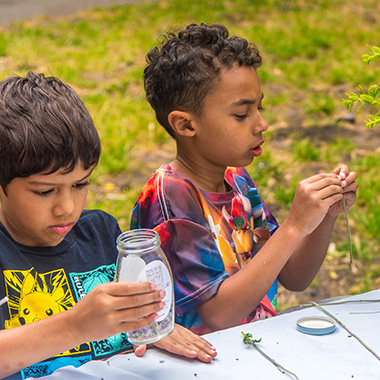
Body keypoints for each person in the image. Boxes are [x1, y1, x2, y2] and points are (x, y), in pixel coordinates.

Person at [131, 23, 358, 335]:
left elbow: (293, 276)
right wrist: (293, 226)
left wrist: (322, 216)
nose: (262, 124)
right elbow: (220, 314)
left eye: (260, 107)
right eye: (242, 115)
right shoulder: (170, 195)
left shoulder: (237, 180)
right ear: (185, 124)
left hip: (254, 347)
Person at [0, 72, 217, 380]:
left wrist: (147, 326)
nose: (67, 207)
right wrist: (75, 326)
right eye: (44, 191)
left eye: (80, 184)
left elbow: (131, 328)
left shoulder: (101, 234)